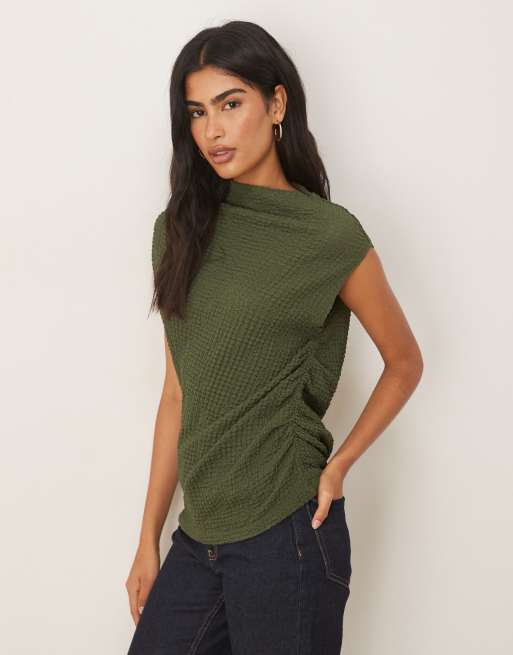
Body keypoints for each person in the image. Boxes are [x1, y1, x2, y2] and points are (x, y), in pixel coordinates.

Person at [125, 19, 423, 655]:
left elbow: (404, 362)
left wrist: (338, 466)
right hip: (198, 538)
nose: (213, 130)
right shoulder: (177, 233)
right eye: (198, 112)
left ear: (277, 103)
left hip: (287, 534)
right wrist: (148, 538)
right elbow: (178, 394)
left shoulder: (328, 236)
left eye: (231, 104)